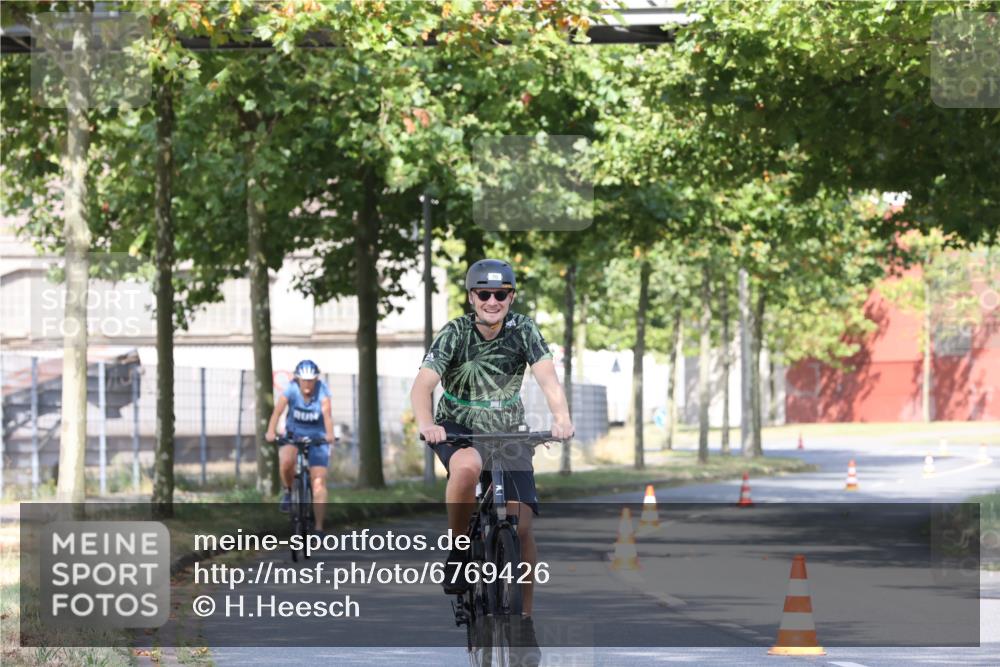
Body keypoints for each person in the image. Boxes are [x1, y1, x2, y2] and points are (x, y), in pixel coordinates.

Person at [410, 259, 575, 636]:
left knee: (521, 527)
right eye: (483, 293)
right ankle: (458, 552)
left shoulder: (524, 330)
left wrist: (561, 417)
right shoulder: (455, 332)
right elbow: (422, 387)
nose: (492, 300)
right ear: (472, 297)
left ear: (511, 297)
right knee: (466, 468)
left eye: (500, 294)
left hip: (508, 430)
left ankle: (525, 622)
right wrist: (427, 425)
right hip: (459, 427)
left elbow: (548, 379)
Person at [266, 359, 334, 536]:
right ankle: (288, 491)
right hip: (294, 434)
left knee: (318, 482)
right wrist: (270, 431)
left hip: (317, 437)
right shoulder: (291, 389)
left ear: (316, 379)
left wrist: (330, 434)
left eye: (311, 380)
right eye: (304, 380)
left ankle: (318, 527)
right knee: (286, 461)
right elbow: (277, 412)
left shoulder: (323, 390)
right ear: (298, 379)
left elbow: (327, 415)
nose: (307, 384)